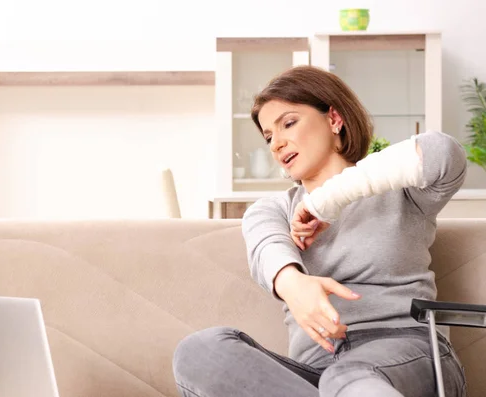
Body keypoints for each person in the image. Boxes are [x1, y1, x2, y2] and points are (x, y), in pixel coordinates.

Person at [172, 65, 468, 397]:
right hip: (314, 375)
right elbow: (266, 247)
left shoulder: (403, 193)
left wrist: (326, 201)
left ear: (334, 119)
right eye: (269, 136)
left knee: (346, 378)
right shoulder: (275, 209)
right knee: (201, 351)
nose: (276, 144)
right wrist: (293, 285)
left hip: (410, 353)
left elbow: (444, 152)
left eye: (288, 123)